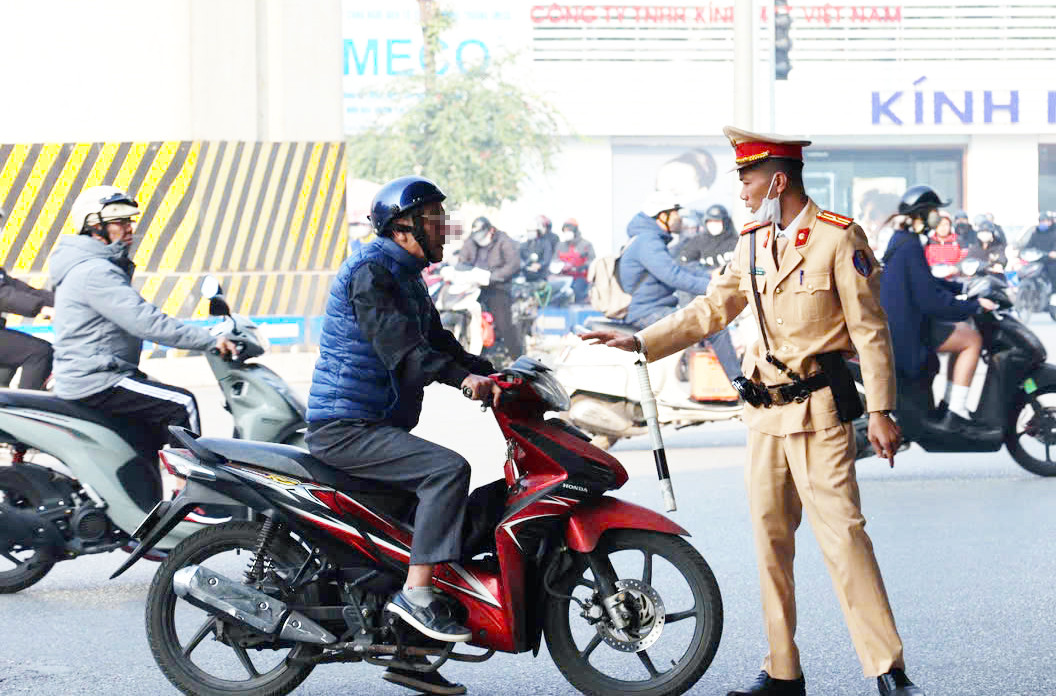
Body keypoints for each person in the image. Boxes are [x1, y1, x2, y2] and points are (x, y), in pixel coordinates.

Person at [584, 126, 926, 696]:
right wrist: (643, 341)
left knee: (845, 540)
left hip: (820, 413)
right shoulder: (751, 241)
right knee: (770, 545)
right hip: (765, 417)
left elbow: (871, 332)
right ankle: (782, 672)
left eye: (747, 176)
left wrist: (884, 411)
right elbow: (714, 307)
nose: (740, 187)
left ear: (779, 179)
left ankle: (888, 670)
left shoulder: (840, 239)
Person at [305, 176, 498, 696]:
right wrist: (463, 380)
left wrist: (495, 373)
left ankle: (411, 657)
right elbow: (402, 349)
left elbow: (437, 341)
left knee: (411, 531)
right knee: (446, 470)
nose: (444, 229)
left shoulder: (407, 275)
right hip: (346, 427)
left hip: (376, 424)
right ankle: (416, 596)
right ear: (403, 227)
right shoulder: (372, 272)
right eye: (435, 219)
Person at [47, 185, 236, 514]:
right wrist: (208, 340)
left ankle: (146, 509)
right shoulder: (95, 271)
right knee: (181, 405)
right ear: (95, 225)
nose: (129, 228)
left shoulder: (90, 266)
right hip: (98, 377)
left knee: (149, 431)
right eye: (120, 222)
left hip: (98, 371)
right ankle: (191, 502)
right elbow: (147, 323)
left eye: (131, 221)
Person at [879, 186, 1000, 440]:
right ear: (920, 215)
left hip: (904, 323)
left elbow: (926, 282)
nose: (937, 216)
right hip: (909, 331)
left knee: (964, 335)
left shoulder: (901, 240)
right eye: (933, 211)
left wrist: (962, 287)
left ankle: (949, 405)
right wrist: (974, 306)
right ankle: (955, 413)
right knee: (972, 339)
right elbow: (930, 299)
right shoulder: (909, 245)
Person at [619, 193, 741, 381]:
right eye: (676, 213)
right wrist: (712, 287)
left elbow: (678, 269)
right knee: (715, 327)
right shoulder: (648, 241)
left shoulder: (648, 239)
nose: (680, 219)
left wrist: (710, 277)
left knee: (702, 319)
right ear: (662, 216)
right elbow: (673, 276)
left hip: (655, 308)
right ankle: (741, 387)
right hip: (649, 312)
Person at [459, 216, 523, 356]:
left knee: (503, 320)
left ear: (491, 231)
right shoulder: (472, 239)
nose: (479, 239)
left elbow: (513, 264)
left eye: (482, 236)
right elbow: (462, 259)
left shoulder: (503, 240)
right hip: (474, 286)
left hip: (498, 286)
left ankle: (516, 356)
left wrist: (492, 277)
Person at [676, 203, 738, 270]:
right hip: (704, 278)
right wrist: (703, 270)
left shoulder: (736, 242)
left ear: (725, 222)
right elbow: (683, 262)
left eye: (717, 221)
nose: (713, 225)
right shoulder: (698, 241)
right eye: (710, 221)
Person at [554, 218, 595, 302]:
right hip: (564, 278)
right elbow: (554, 260)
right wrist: (558, 266)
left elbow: (592, 261)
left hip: (580, 277)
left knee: (577, 290)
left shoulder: (586, 245)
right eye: (564, 231)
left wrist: (583, 266)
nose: (566, 233)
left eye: (568, 230)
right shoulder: (560, 245)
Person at [520, 214, 558, 282]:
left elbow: (546, 259)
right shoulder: (524, 244)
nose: (530, 233)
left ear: (537, 231)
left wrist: (539, 265)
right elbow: (520, 257)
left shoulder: (545, 243)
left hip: (540, 275)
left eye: (532, 231)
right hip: (526, 275)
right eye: (528, 231)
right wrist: (524, 265)